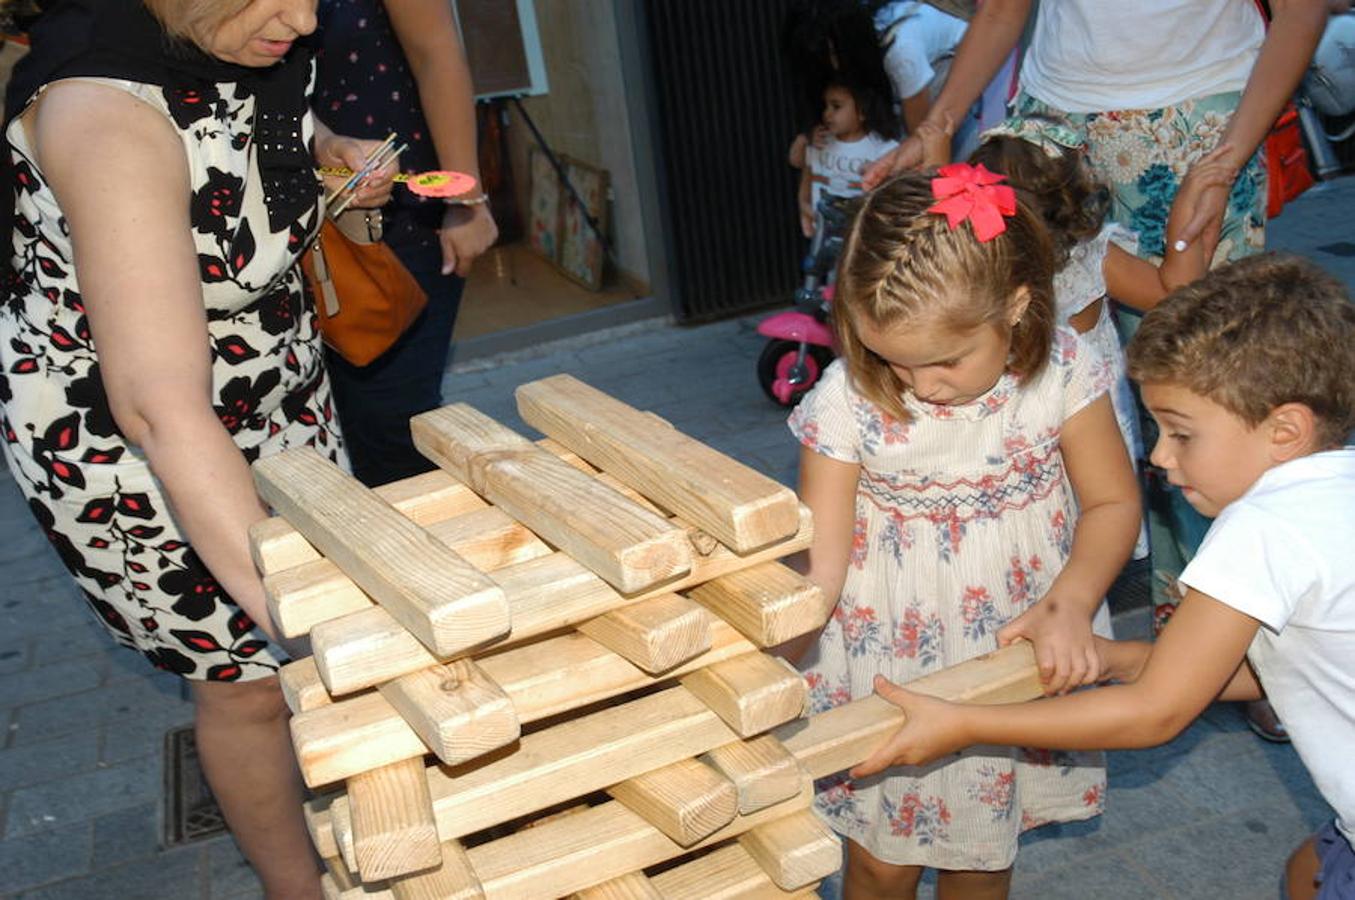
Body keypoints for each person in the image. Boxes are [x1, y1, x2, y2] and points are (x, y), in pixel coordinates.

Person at [0, 1, 394, 895]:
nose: (300, 21)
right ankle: (296, 886)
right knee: (249, 679)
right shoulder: (102, 114)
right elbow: (161, 409)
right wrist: (304, 615)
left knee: (290, 661)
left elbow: (266, 130)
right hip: (127, 442)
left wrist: (330, 151)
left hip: (273, 384)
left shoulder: (235, 36)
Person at [854, 253, 1355, 900]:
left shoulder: (1261, 529)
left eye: (1180, 433)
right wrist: (1120, 658)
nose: (1158, 454)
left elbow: (1152, 717)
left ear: (1284, 429)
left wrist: (963, 724)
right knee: (1307, 872)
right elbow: (1290, 665)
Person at [786, 166, 1141, 899]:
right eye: (890, 358)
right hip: (887, 656)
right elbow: (817, 571)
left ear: (1014, 305)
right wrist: (770, 654)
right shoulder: (844, 403)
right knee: (881, 862)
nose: (919, 385)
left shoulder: (1063, 372)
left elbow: (1111, 503)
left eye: (945, 360)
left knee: (980, 856)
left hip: (1013, 648)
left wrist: (1071, 603)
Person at [966, 121, 1234, 558]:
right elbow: (1176, 295)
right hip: (1090, 433)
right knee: (1090, 535)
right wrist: (1183, 220)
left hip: (1015, 436)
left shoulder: (978, 271)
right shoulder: (1091, 260)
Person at [313, 0, 498, 488]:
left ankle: (428, 556)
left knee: (394, 429)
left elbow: (437, 56)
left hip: (395, 219)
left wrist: (466, 200)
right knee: (321, 435)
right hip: (276, 231)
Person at [799, 74, 899, 237]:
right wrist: (804, 207)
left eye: (836, 106)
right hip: (823, 232)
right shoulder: (820, 141)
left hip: (863, 238)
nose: (827, 114)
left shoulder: (883, 149)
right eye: (826, 106)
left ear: (861, 112)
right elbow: (799, 165)